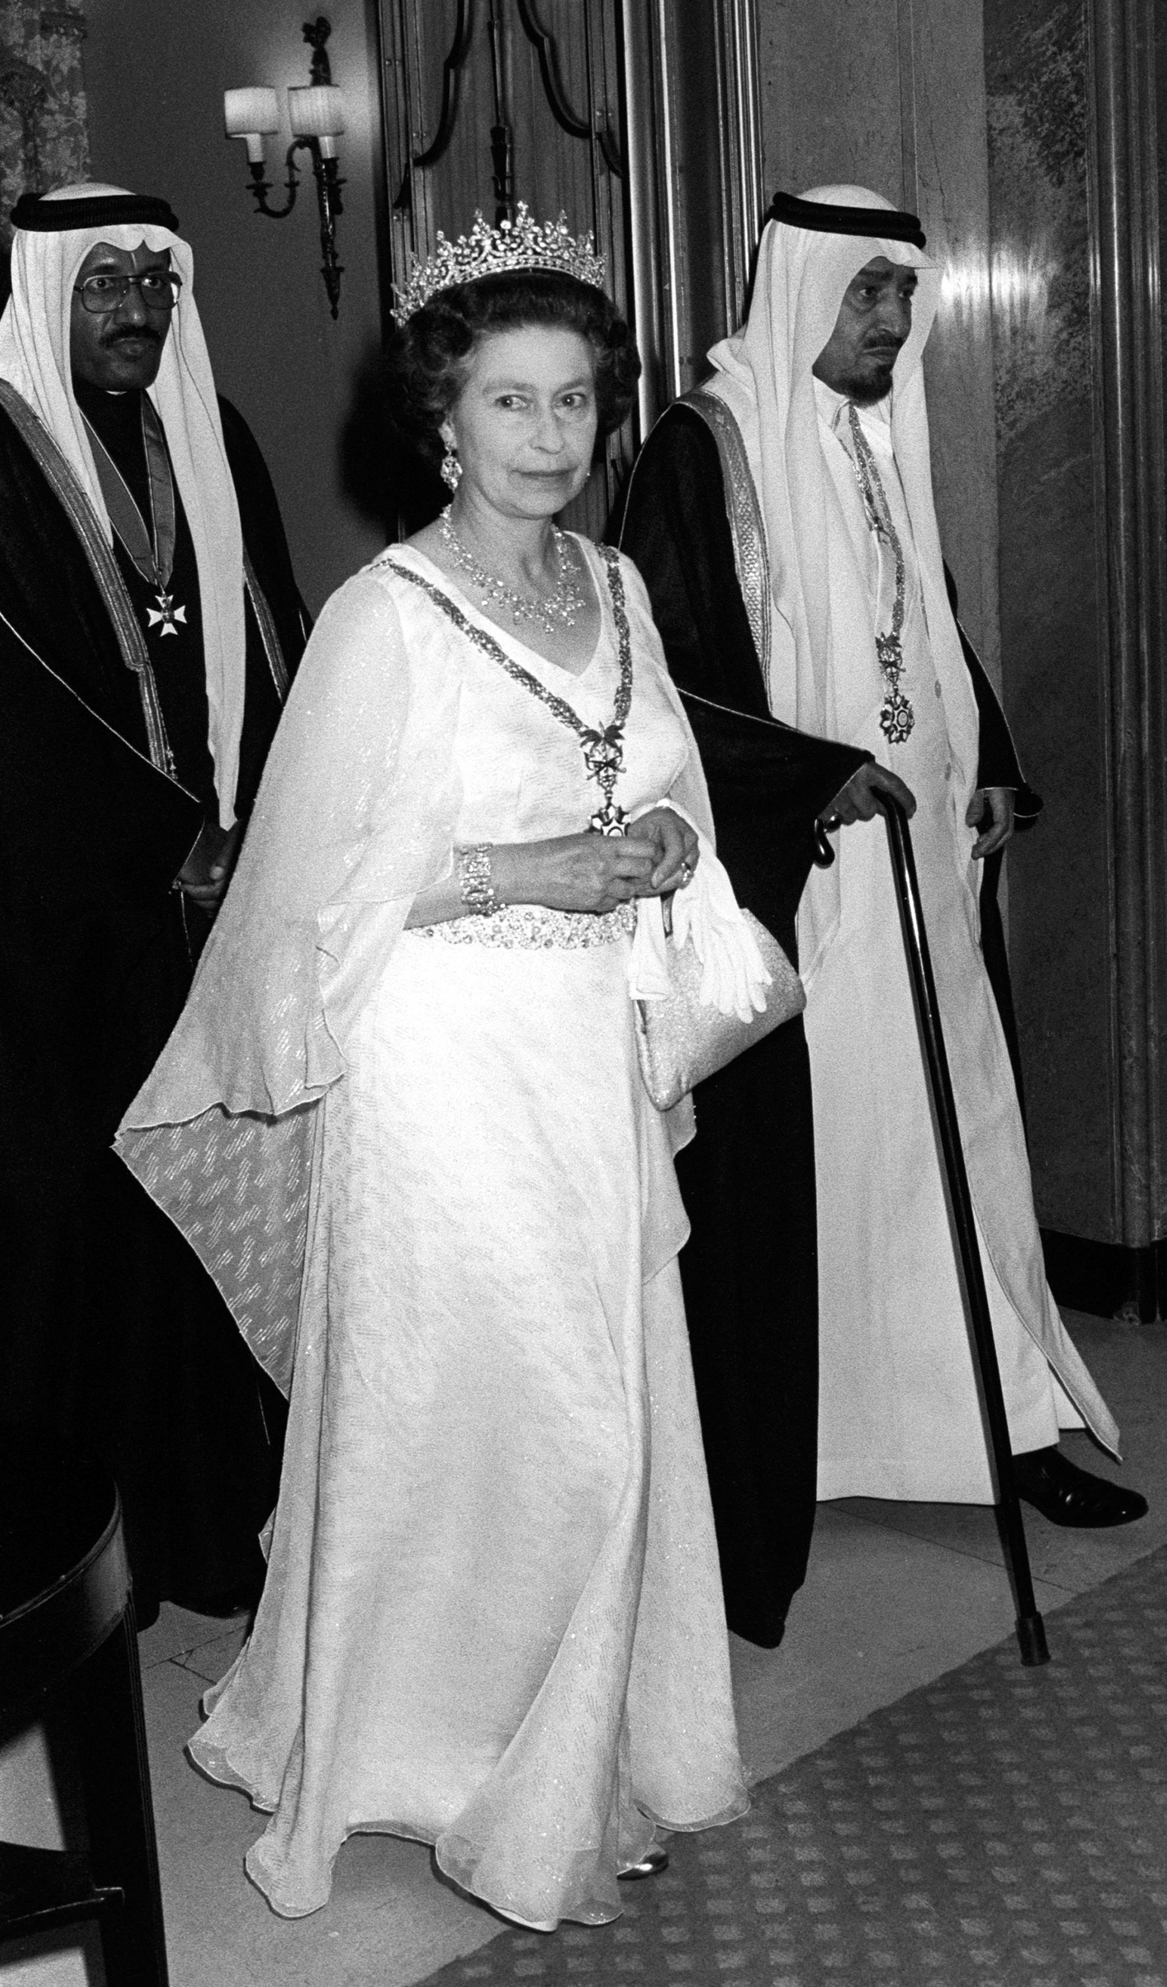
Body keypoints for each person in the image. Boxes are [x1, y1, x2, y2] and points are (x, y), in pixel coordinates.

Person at [116, 208, 748, 1928]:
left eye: (574, 405)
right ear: (442, 421)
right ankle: (433, 1757)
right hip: (436, 1063)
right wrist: (522, 873)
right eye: (512, 405)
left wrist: (671, 841)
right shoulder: (380, 619)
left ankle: (557, 1749)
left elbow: (673, 771)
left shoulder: (613, 585)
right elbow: (307, 897)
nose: (550, 439)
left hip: (582, 1056)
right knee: (507, 1421)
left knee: (605, 1409)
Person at [618, 184, 1146, 1649]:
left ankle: (1004, 1429)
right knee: (825, 1174)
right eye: (868, 298)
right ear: (802, 293)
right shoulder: (699, 452)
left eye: (904, 299)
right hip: (800, 887)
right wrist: (805, 783)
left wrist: (992, 771)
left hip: (923, 875)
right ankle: (811, 1452)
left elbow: (931, 631)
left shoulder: (878, 437)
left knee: (960, 1147)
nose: (891, 325)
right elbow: (663, 679)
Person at [0, 182, 309, 1622]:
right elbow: (19, 704)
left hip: (211, 908)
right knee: (80, 1233)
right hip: (51, 929)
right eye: (103, 276)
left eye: (155, 278)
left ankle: (204, 1523)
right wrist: (159, 835)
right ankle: (75, 1565)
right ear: (44, 286)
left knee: (208, 1212)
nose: (135, 302)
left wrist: (287, 820)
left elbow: (277, 632)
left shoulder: (215, 435)